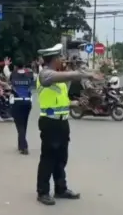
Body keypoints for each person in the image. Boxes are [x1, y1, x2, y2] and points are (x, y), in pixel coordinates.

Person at [36, 43, 102, 205]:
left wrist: (77, 104)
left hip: (62, 122)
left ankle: (61, 189)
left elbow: (62, 101)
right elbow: (68, 76)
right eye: (60, 57)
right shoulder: (45, 75)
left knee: (61, 159)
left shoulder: (59, 78)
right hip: (49, 123)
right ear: (54, 59)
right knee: (48, 159)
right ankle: (43, 192)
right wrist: (84, 74)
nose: (62, 60)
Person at [3, 57, 33, 155]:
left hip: (17, 102)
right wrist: (40, 65)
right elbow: (39, 75)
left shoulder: (13, 74)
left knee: (19, 125)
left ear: (15, 66)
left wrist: (6, 64)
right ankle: (21, 145)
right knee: (24, 124)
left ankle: (24, 146)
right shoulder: (29, 74)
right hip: (27, 102)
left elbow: (6, 72)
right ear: (24, 65)